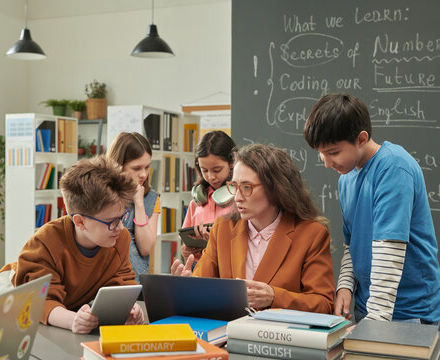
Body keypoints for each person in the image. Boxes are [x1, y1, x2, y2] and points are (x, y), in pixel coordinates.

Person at [304, 93, 440, 324]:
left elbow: (389, 250)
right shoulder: (346, 177)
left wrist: (375, 325)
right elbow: (352, 245)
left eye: (333, 153)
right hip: (369, 308)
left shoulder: (393, 167)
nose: (327, 163)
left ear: (361, 139)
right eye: (321, 153)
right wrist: (345, 286)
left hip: (409, 312)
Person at [0, 156, 144, 334]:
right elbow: (40, 302)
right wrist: (73, 320)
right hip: (9, 298)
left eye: (122, 217)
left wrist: (131, 309)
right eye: (111, 221)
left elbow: (121, 286)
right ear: (80, 222)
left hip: (62, 307)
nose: (120, 227)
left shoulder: (119, 239)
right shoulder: (45, 242)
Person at [172, 144, 335, 314]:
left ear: (275, 188)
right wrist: (186, 288)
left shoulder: (312, 234)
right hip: (229, 335)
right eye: (234, 186)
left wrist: (274, 297)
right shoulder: (222, 229)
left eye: (247, 187)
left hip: (282, 337)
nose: (237, 197)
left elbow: (324, 304)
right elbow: (202, 289)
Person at [107, 132, 160, 281]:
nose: (143, 174)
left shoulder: (151, 199)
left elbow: (145, 248)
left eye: (147, 167)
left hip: (135, 286)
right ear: (118, 166)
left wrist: (139, 203)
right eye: (136, 168)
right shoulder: (100, 196)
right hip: (103, 282)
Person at [181, 131, 237, 263]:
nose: (211, 177)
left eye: (217, 170)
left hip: (230, 269)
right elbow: (185, 246)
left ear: (231, 162)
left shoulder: (241, 200)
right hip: (200, 268)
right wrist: (185, 251)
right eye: (204, 170)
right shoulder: (196, 203)